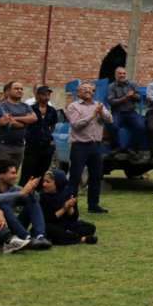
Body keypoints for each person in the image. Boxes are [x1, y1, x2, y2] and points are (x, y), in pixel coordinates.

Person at [0, 159, 51, 248]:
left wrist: (31, 191)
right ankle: (26, 238)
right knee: (4, 205)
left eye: (16, 173)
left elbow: (36, 199)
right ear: (1, 175)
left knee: (32, 200)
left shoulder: (14, 188)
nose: (16, 176)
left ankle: (40, 236)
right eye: (12, 173)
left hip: (13, 230)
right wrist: (21, 193)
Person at [65, 82, 112, 213]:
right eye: (83, 89)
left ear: (93, 92)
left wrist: (101, 112)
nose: (87, 91)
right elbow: (76, 125)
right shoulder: (73, 106)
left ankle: (93, 204)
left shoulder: (99, 105)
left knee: (96, 176)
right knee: (75, 177)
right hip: (80, 145)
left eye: (89, 89)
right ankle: (71, 205)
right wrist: (92, 115)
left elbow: (110, 119)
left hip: (96, 145)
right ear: (78, 93)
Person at [38, 169, 97, 246]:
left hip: (65, 224)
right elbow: (47, 219)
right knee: (50, 230)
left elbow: (74, 218)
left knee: (90, 227)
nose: (44, 184)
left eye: (47, 182)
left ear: (58, 183)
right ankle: (82, 239)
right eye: (44, 181)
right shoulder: (42, 196)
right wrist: (64, 209)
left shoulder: (67, 193)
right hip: (51, 225)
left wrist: (70, 207)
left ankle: (67, 236)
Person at [22, 86, 59, 185]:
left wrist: (49, 135)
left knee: (42, 172)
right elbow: (25, 123)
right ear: (37, 96)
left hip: (46, 145)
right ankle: (24, 192)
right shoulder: (30, 109)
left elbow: (53, 125)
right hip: (32, 144)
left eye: (48, 95)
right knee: (28, 171)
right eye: (43, 94)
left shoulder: (52, 111)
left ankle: (39, 193)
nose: (46, 97)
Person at [0, 80, 34, 171]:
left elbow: (33, 118)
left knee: (13, 173)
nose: (19, 90)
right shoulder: (1, 106)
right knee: (2, 173)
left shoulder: (25, 106)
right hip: (3, 146)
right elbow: (11, 122)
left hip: (19, 146)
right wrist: (25, 121)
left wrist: (15, 118)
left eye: (21, 89)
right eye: (16, 88)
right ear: (8, 91)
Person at [106, 67, 144, 153]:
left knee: (141, 126)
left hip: (131, 112)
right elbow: (111, 102)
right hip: (117, 112)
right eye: (120, 73)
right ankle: (116, 147)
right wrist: (125, 97)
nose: (122, 75)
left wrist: (133, 95)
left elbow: (139, 98)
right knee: (113, 126)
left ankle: (131, 148)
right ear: (115, 75)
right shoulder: (111, 86)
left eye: (124, 73)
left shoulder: (132, 84)